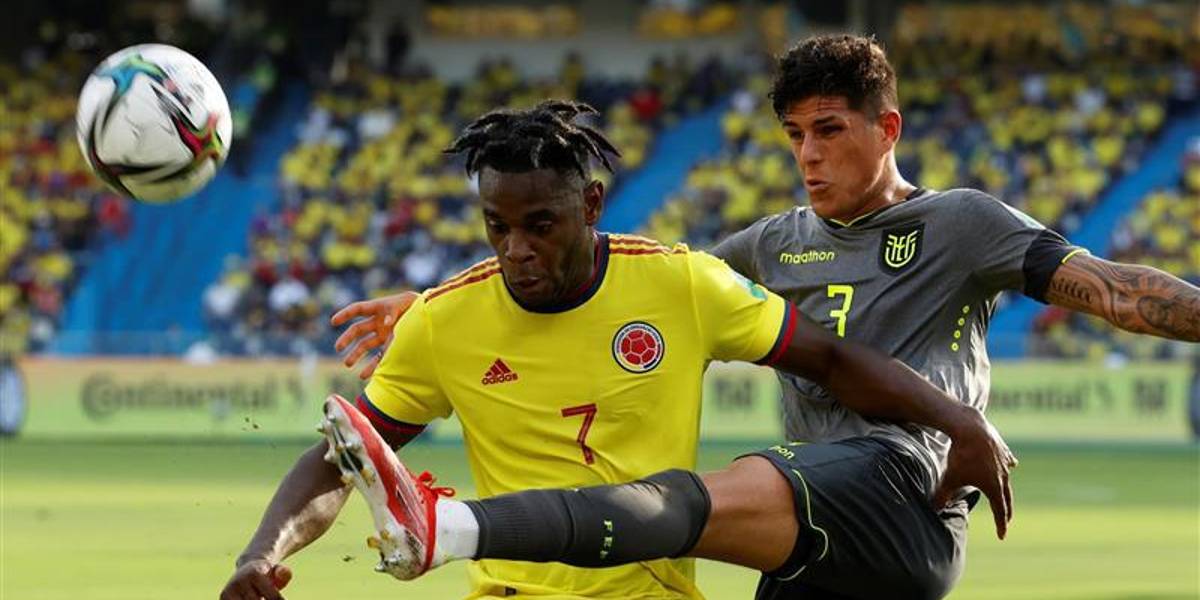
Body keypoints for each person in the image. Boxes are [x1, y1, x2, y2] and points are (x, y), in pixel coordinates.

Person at [332, 35, 1200, 599]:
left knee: (693, 500)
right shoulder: (769, 245)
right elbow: (614, 272)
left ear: (887, 127)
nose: (809, 156)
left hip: (905, 483)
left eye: (829, 130)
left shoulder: (961, 221)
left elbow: (1115, 289)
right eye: (794, 135)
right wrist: (453, 294)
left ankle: (456, 526)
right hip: (815, 524)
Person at [219, 100, 1015, 600]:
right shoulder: (443, 321)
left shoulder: (680, 287)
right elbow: (342, 458)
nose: (516, 250)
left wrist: (961, 422)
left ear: (591, 203)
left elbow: (836, 362)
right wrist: (262, 553)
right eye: (497, 227)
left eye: (541, 224)